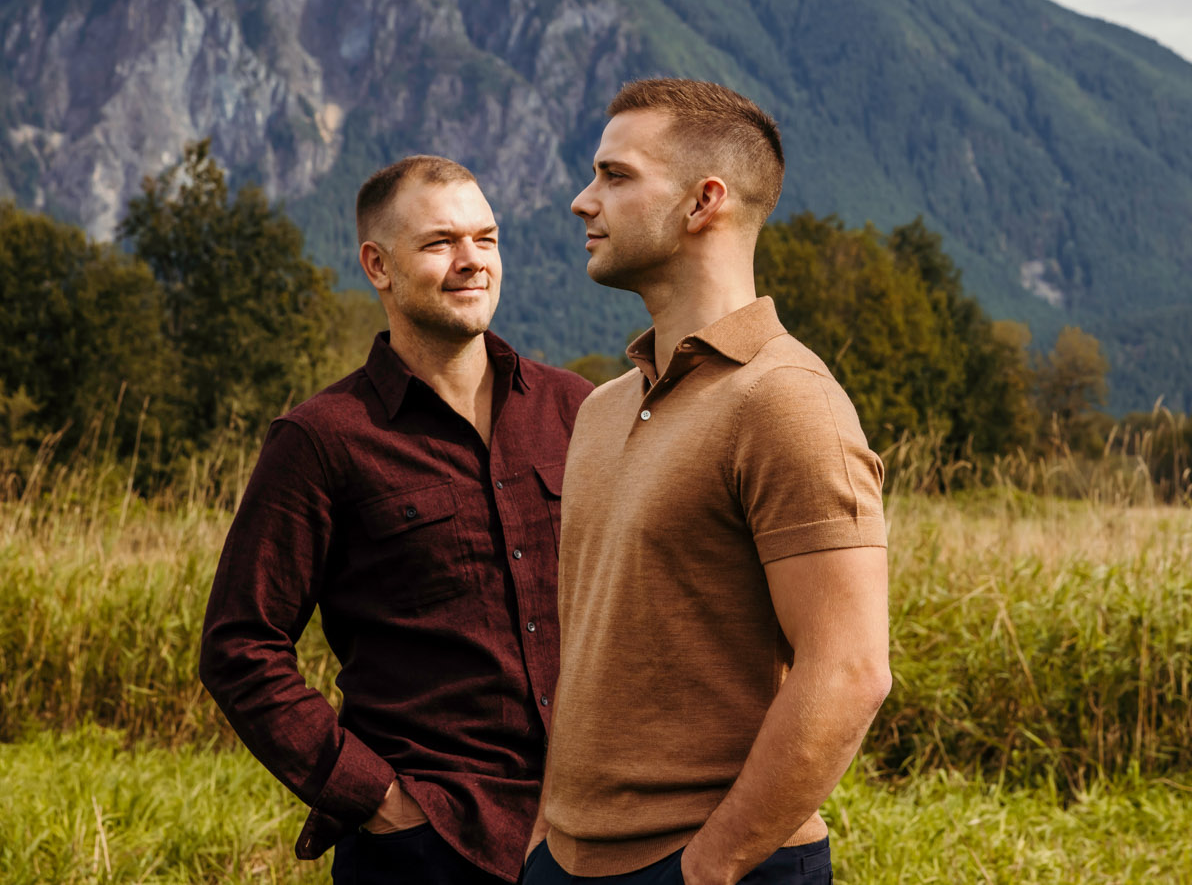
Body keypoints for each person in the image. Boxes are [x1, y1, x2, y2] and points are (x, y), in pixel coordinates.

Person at [526, 79, 893, 885]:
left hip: (714, 864)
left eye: (615, 176)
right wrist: (542, 842)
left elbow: (851, 669)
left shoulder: (786, 401)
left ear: (704, 202)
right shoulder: (601, 409)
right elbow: (590, 646)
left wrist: (711, 868)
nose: (583, 201)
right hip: (564, 859)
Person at [200, 155, 593, 885]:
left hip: (591, 840)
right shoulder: (321, 440)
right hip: (430, 848)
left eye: (488, 238)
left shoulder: (576, 410)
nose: (472, 261)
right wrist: (375, 797)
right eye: (441, 242)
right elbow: (239, 645)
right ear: (377, 266)